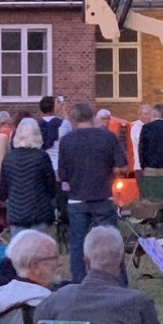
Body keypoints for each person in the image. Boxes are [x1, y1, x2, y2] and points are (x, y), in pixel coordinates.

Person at [57, 101, 126, 282]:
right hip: (103, 195)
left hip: (77, 198)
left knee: (78, 242)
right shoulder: (107, 137)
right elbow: (121, 166)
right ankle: (119, 280)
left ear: (74, 119)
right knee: (111, 241)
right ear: (92, 116)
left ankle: (79, 281)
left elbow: (62, 174)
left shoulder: (66, 141)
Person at [0, 116, 60, 230]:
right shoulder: (42, 157)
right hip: (39, 211)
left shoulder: (8, 158)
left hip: (16, 211)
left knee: (18, 246)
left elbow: (3, 189)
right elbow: (51, 187)